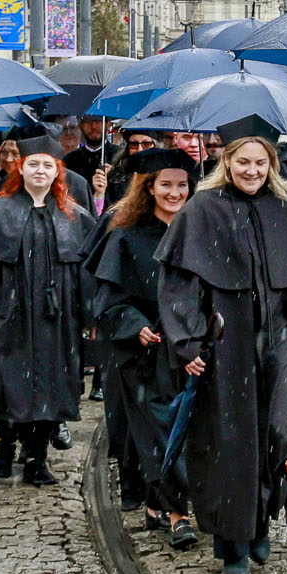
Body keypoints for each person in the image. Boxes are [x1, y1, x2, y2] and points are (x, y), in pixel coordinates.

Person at [157, 116, 287, 574]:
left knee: (276, 435)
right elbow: (178, 285)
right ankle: (233, 540)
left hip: (279, 343)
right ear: (226, 162)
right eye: (243, 162)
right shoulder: (201, 210)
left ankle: (262, 521)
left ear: (273, 165)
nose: (252, 171)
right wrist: (187, 343)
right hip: (227, 345)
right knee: (231, 441)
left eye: (260, 163)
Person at [0, 136, 94, 485]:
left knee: (52, 383)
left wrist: (91, 316)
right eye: (34, 164)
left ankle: (37, 456)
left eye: (48, 165)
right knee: (11, 381)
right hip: (10, 312)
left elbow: (87, 273)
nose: (40, 171)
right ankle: (6, 444)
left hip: (57, 316)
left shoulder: (74, 216)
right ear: (20, 167)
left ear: (57, 171)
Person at [89, 149, 199, 544]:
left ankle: (164, 504)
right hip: (145, 353)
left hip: (192, 351)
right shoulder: (126, 237)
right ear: (149, 188)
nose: (174, 193)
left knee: (189, 431)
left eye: (181, 185)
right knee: (160, 432)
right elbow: (107, 300)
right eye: (166, 185)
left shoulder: (200, 232)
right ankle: (176, 514)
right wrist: (135, 327)